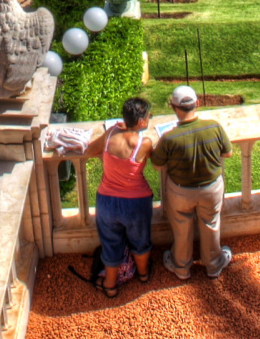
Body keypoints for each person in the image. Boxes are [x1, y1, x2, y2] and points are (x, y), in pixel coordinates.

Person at [151, 84, 233, 281]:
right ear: (197, 103)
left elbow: (156, 165)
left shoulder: (169, 138)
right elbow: (228, 153)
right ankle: (213, 266)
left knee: (181, 228)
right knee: (211, 224)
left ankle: (181, 268)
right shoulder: (214, 127)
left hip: (180, 192)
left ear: (173, 107)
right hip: (211, 189)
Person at [84, 96, 155, 297]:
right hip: (137, 202)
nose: (149, 118)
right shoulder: (144, 143)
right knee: (140, 240)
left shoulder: (110, 134)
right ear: (141, 121)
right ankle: (143, 274)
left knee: (110, 242)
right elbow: (156, 160)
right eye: (148, 116)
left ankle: (110, 285)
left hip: (107, 201)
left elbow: (90, 150)